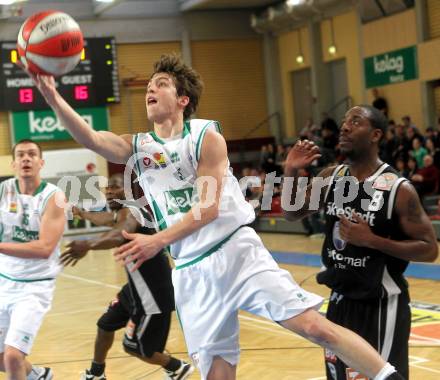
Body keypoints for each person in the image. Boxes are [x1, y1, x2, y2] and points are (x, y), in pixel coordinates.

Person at [29, 54, 405, 380]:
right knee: (217, 371)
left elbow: (207, 209)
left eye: (161, 84)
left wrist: (157, 239)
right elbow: (92, 138)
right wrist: (51, 95)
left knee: (314, 327)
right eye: (149, 85)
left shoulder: (206, 136)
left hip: (235, 252)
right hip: (191, 269)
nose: (150, 89)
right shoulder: (139, 145)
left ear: (182, 99)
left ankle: (388, 376)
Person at [283, 105, 438, 380]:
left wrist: (373, 240)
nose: (344, 127)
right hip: (340, 302)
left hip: (380, 306)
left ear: (376, 134)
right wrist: (291, 170)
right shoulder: (332, 177)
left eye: (355, 122)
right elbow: (292, 212)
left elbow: (429, 249)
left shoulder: (398, 189)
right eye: (344, 121)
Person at [60, 174, 193, 380]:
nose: (110, 191)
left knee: (135, 348)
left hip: (153, 293)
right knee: (105, 324)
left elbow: (119, 233)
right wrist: (83, 214)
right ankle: (96, 373)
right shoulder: (123, 212)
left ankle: (177, 367)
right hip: (135, 289)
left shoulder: (134, 211)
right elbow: (110, 220)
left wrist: (88, 244)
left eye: (115, 187)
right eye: (107, 188)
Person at [0, 139, 67, 380]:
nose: (26, 159)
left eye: (31, 154)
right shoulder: (3, 190)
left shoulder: (54, 197)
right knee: (2, 358)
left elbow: (44, 248)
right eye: (21, 155)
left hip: (35, 286)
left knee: (13, 356)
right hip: (4, 280)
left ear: (41, 162)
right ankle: (38, 376)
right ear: (13, 163)